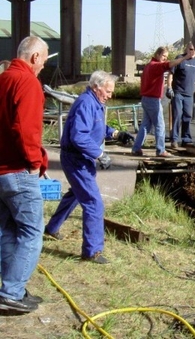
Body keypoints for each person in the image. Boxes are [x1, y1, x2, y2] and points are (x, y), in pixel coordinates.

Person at [44, 71, 119, 265]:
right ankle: (92, 251)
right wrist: (100, 154)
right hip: (76, 159)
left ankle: (52, 228)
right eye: (108, 91)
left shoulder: (95, 103)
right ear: (96, 87)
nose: (110, 95)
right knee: (93, 202)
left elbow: (96, 128)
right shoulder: (86, 103)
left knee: (76, 194)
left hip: (82, 159)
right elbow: (79, 136)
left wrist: (116, 134)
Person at [0, 36, 49, 313]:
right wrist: (34, 163)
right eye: (43, 59)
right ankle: (12, 291)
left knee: (6, 230)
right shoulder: (28, 82)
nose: (42, 66)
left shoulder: (3, 79)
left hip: (1, 170)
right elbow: (26, 129)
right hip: (18, 171)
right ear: (34, 58)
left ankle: (11, 286)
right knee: (31, 232)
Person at [131, 46, 191, 157]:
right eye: (163, 56)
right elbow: (170, 64)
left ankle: (136, 148)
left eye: (166, 57)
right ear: (157, 54)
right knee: (160, 125)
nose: (164, 58)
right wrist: (185, 57)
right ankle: (160, 150)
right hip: (152, 99)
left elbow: (168, 64)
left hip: (145, 98)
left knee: (145, 125)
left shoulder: (148, 66)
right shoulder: (156, 66)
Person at [166, 43, 195, 148]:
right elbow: (171, 73)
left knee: (187, 116)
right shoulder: (180, 59)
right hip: (178, 92)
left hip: (189, 94)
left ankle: (186, 139)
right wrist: (169, 87)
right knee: (177, 115)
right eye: (191, 49)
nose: (193, 52)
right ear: (187, 49)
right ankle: (174, 139)